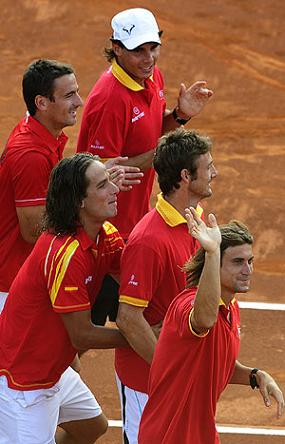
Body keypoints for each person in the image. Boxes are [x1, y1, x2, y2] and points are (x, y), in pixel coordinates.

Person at [77, 7, 213, 326]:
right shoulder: (109, 99)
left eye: (153, 47)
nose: (148, 58)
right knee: (90, 327)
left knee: (142, 316)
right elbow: (102, 174)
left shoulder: (152, 78)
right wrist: (166, 154)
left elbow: (148, 140)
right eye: (138, 50)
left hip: (133, 221)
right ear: (117, 48)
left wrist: (179, 116)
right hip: (107, 230)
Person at [0, 153, 131, 444]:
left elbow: (134, 280)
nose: (113, 189)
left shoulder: (105, 235)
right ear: (79, 202)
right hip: (22, 382)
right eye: (102, 185)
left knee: (91, 426)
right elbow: (82, 335)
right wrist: (136, 337)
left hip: (52, 369)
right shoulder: (66, 254)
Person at [0, 58, 141, 318]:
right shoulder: (30, 155)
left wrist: (91, 182)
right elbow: (32, 230)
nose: (79, 101)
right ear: (41, 103)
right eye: (69, 95)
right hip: (12, 289)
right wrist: (87, 201)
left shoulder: (43, 134)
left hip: (24, 279)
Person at [138, 208, 284, 444]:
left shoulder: (230, 305)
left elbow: (218, 361)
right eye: (238, 262)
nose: (247, 270)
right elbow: (204, 319)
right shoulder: (187, 305)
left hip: (201, 434)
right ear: (213, 264)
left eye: (250, 261)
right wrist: (212, 252)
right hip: (171, 436)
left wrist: (255, 376)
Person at [115, 128, 218, 443]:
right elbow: (128, 318)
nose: (215, 172)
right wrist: (169, 368)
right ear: (186, 176)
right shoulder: (148, 240)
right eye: (209, 167)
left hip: (184, 375)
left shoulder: (195, 218)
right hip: (149, 383)